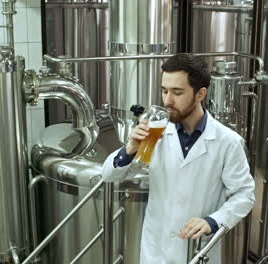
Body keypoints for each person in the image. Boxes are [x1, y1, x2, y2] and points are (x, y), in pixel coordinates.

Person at [101, 53, 255, 263]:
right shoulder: (156, 130)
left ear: (200, 94)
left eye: (177, 92)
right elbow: (109, 175)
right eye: (164, 91)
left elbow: (244, 194)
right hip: (156, 250)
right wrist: (129, 149)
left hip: (198, 250)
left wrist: (213, 221)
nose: (167, 101)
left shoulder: (227, 142)